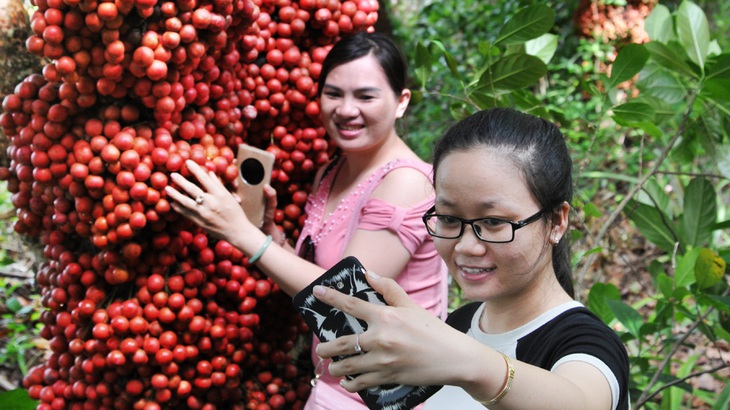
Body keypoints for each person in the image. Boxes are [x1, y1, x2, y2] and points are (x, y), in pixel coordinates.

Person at [164, 31, 449, 410]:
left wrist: (241, 233)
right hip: (337, 387)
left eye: (365, 96)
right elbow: (316, 273)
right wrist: (273, 237)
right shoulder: (331, 172)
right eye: (334, 94)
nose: (346, 110)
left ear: (401, 102)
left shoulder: (407, 183)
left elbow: (345, 298)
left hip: (389, 397)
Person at [313, 108, 631, 409]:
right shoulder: (461, 323)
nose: (466, 246)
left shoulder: (585, 342)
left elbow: (583, 401)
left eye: (493, 223)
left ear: (557, 222)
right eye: (449, 219)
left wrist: (465, 360)